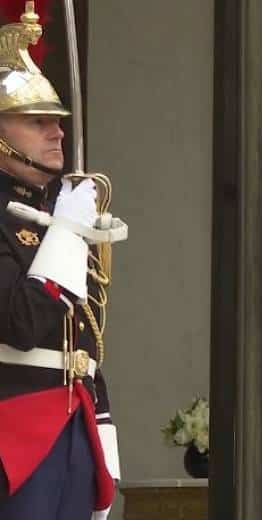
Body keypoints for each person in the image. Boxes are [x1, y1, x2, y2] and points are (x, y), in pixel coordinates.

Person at [0, 4, 120, 520]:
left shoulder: (57, 211)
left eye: (57, 122)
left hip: (77, 422)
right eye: (36, 122)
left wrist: (105, 441)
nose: (57, 133)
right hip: (14, 429)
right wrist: (69, 233)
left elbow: (87, 341)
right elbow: (23, 322)